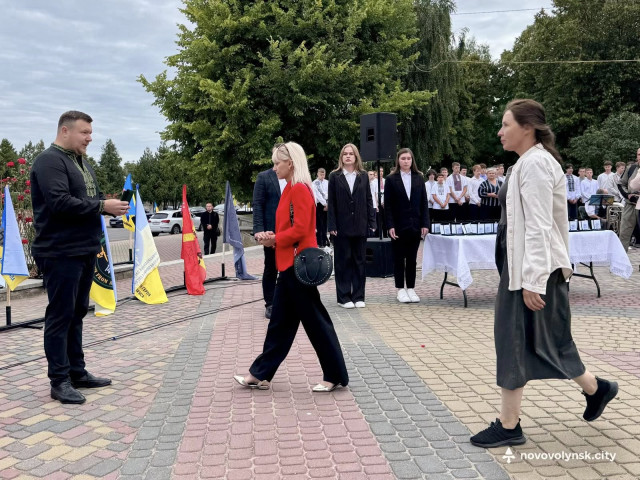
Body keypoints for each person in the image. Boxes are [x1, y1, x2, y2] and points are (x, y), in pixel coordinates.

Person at [470, 99, 618, 448]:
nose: (500, 131)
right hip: (527, 266)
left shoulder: (536, 164)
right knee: (543, 339)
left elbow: (539, 227)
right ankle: (596, 389)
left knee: (515, 339)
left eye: (506, 124)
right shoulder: (527, 162)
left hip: (533, 269)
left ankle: (509, 425)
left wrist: (532, 281)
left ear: (528, 127)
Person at [30, 111, 130, 404]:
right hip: (60, 251)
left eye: (90, 133)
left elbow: (85, 199)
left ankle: (77, 372)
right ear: (65, 130)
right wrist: (102, 206)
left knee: (77, 313)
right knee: (60, 316)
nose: (89, 138)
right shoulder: (49, 161)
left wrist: (106, 204)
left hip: (84, 249)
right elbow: (59, 202)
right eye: (84, 132)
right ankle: (59, 380)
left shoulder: (80, 161)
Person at [234, 142, 349, 392]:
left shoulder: (299, 189)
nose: (274, 167)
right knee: (280, 325)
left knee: (315, 323)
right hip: (289, 265)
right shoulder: (290, 188)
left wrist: (275, 239)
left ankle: (334, 375)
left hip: (298, 267)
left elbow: (302, 229)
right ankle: (259, 374)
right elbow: (290, 227)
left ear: (291, 163)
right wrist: (272, 236)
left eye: (277, 163)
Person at [327, 144, 376, 308]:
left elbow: (369, 199)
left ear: (356, 157)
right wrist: (331, 225)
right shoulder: (335, 176)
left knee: (359, 261)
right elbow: (331, 202)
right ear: (341, 157)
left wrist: (372, 222)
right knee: (343, 262)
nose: (348, 156)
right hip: (341, 226)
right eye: (345, 154)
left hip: (360, 225)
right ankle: (344, 297)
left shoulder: (363, 176)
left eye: (351, 154)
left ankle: (359, 296)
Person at [384, 148, 430, 304]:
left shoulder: (419, 178)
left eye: (408, 158)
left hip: (415, 225)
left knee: (412, 259)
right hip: (398, 226)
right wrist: (390, 225)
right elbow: (388, 205)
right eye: (403, 158)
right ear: (398, 160)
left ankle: (411, 288)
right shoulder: (391, 179)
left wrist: (425, 223)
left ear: (412, 160)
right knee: (398, 258)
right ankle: (400, 289)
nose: (406, 161)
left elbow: (424, 202)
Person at [253, 148, 288, 319]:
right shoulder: (264, 177)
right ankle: (270, 303)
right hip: (270, 231)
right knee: (271, 267)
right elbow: (258, 204)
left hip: (289, 230)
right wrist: (259, 230)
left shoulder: (294, 178)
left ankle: (287, 301)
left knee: (290, 267)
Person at [618, 149, 640, 249]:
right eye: (639, 154)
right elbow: (621, 184)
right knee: (624, 233)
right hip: (630, 205)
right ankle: (621, 257)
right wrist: (628, 195)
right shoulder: (631, 168)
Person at [312, 168, 329, 247]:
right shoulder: (314, 183)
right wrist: (324, 204)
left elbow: (329, 193)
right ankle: (320, 241)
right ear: (317, 174)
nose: (322, 176)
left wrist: (327, 203)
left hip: (327, 203)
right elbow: (317, 195)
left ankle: (325, 241)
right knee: (319, 223)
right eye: (321, 174)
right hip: (319, 204)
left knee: (325, 224)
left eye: (323, 174)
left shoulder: (327, 182)